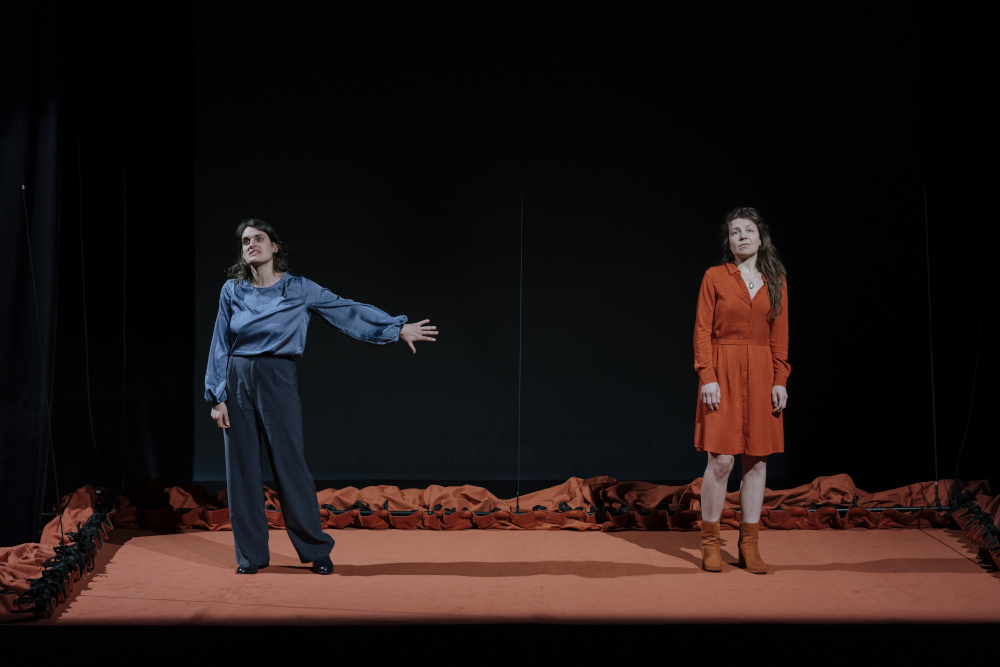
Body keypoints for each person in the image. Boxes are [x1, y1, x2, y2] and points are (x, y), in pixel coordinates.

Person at [204, 218, 438, 575]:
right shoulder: (232, 291)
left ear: (275, 247)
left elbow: (347, 310)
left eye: (259, 238)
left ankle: (315, 551)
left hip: (277, 375)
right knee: (241, 471)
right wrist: (216, 397)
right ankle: (250, 556)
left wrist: (395, 327)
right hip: (236, 378)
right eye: (245, 241)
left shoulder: (299, 289)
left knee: (290, 466)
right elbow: (220, 343)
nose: (251, 244)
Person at [693, 207, 789, 574]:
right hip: (724, 371)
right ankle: (709, 543)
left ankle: (749, 544)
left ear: (761, 238)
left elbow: (780, 337)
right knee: (721, 460)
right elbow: (702, 331)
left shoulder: (776, 278)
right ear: (728, 242)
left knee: (758, 460)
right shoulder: (714, 277)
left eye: (749, 230)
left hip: (763, 372)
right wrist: (708, 376)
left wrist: (780, 380)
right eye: (735, 232)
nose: (742, 236)